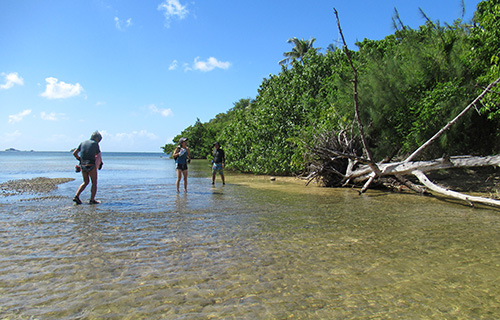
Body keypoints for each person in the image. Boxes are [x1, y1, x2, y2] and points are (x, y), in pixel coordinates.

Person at [72, 131, 103, 205]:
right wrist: (100, 164)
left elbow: (74, 153)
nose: (98, 142)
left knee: (85, 182)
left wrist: (79, 159)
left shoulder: (82, 143)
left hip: (82, 165)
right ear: (96, 138)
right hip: (91, 165)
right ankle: (92, 200)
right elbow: (98, 156)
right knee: (94, 183)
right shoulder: (95, 144)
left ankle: (76, 196)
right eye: (99, 140)